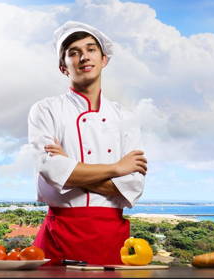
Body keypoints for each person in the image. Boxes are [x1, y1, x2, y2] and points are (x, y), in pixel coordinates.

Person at [28, 21, 147, 266]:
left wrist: (72, 170)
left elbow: (133, 184)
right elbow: (51, 171)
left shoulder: (126, 118)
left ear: (104, 59)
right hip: (59, 235)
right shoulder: (45, 110)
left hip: (112, 238)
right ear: (63, 67)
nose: (84, 57)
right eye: (73, 52)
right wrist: (116, 169)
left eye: (91, 49)